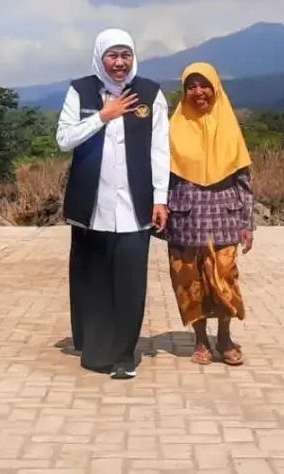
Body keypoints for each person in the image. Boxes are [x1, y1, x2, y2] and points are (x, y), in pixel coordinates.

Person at [55, 29, 170, 379]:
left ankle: (124, 355)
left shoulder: (150, 94)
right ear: (100, 57)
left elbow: (160, 150)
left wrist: (161, 198)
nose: (120, 63)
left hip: (135, 208)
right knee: (95, 281)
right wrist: (103, 116)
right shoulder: (81, 90)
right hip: (93, 207)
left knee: (130, 281)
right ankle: (95, 348)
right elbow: (63, 139)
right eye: (112, 56)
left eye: (126, 55)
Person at [167, 62, 255, 366]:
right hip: (185, 216)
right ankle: (201, 341)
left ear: (216, 88)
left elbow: (244, 181)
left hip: (224, 216)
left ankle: (225, 337)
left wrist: (247, 223)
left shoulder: (229, 126)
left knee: (224, 277)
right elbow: (161, 178)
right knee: (190, 280)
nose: (198, 92)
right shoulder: (172, 128)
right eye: (190, 86)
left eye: (204, 85)